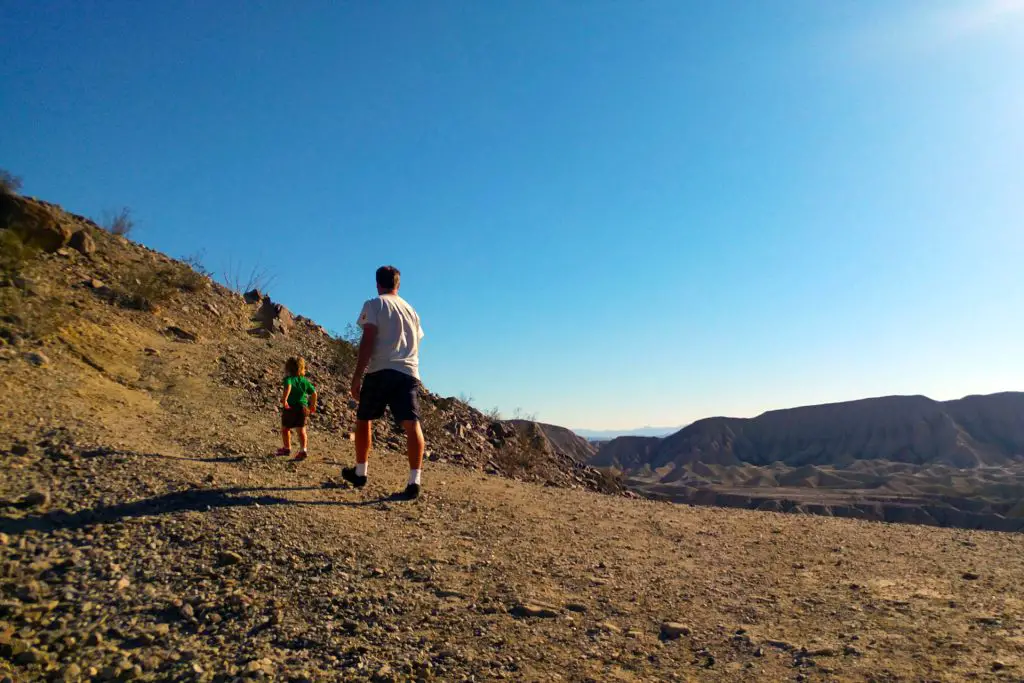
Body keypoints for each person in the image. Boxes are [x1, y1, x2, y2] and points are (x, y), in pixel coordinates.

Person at [343, 265, 426, 499]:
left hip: (381, 368)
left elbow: (368, 340)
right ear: (398, 284)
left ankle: (361, 472)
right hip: (409, 371)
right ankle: (414, 480)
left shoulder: (374, 304)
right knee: (412, 424)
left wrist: (358, 375)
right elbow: (417, 342)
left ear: (377, 283)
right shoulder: (412, 311)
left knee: (364, 418)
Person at [278, 356, 318, 461]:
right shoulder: (304, 381)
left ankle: (287, 448)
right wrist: (313, 405)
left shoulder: (289, 379)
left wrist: (285, 399)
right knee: (301, 431)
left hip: (290, 407)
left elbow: (289, 387)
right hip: (302, 408)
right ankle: (303, 450)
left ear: (288, 369)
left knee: (285, 428)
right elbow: (314, 393)